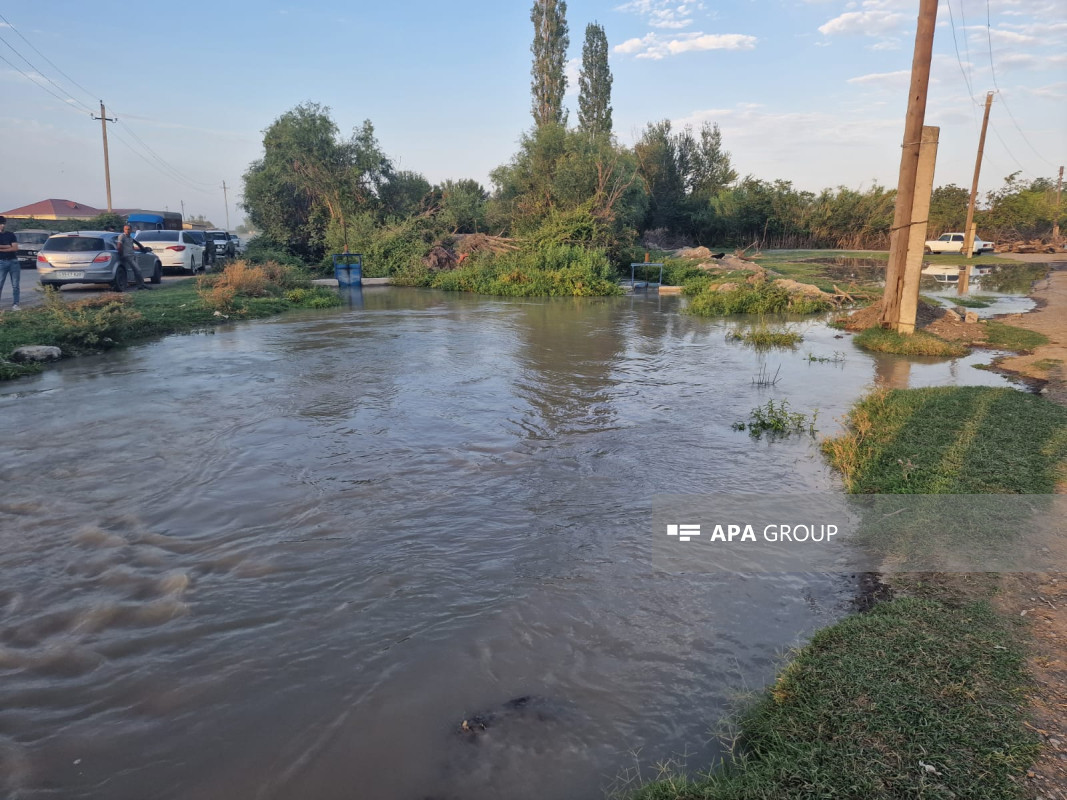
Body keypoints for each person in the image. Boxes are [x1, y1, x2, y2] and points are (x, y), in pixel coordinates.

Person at [116, 223, 151, 290]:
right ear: (124, 229)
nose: (127, 231)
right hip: (127, 256)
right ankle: (141, 284)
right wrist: (121, 255)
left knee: (137, 271)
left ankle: (140, 285)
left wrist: (143, 249)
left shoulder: (130, 238)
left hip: (132, 255)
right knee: (138, 270)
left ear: (131, 230)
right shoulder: (122, 236)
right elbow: (119, 246)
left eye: (128, 229)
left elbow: (131, 247)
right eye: (126, 229)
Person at [0, 216, 20, 310]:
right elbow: (11, 247)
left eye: (3, 224)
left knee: (15, 284)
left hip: (13, 261)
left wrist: (1, 248)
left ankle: (16, 304)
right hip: (1, 262)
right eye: (0, 224)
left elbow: (15, 248)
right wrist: (8, 247)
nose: (2, 226)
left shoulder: (10, 234)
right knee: (0, 283)